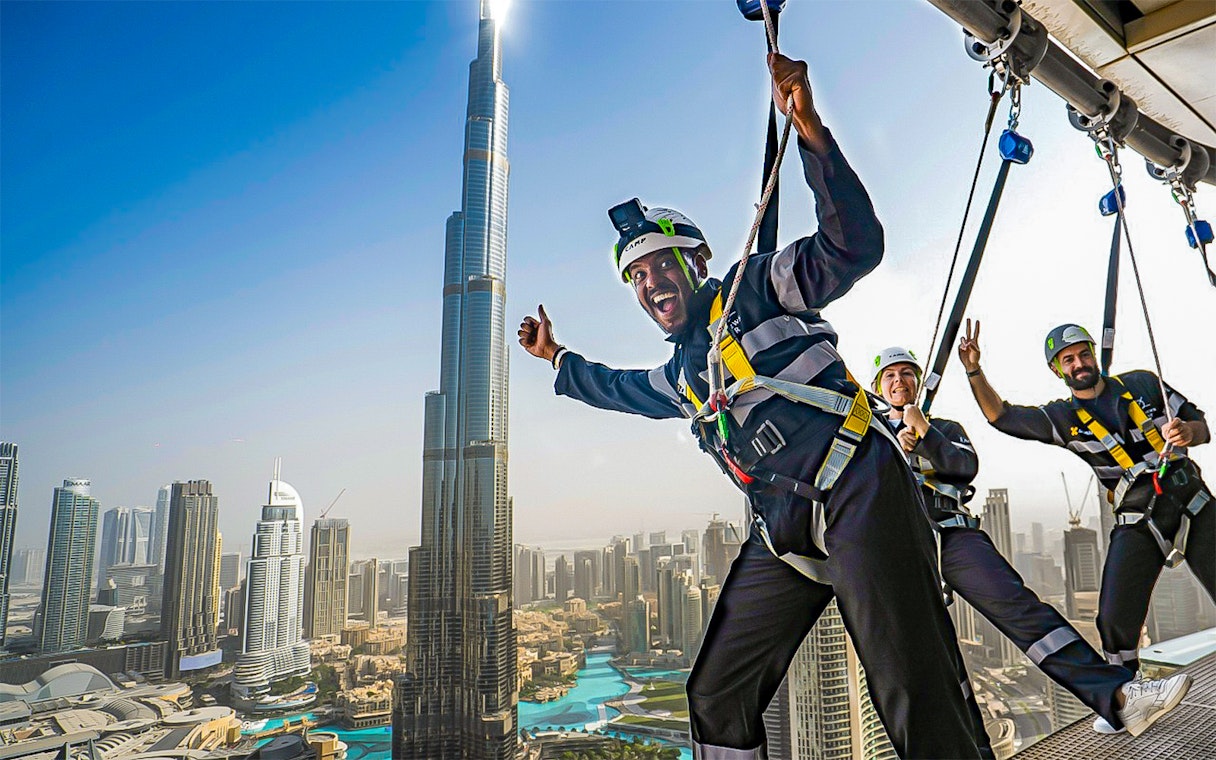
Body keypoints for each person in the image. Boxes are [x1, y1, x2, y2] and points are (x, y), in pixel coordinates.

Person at [519, 53, 982, 759]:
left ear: (695, 263)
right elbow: (615, 388)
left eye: (657, 267)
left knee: (915, 692)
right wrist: (558, 359)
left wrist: (812, 134)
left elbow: (851, 247)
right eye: (635, 278)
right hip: (785, 533)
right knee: (716, 695)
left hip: (861, 489)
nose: (648, 286)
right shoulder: (682, 376)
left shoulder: (758, 286)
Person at [874, 346, 1191, 738]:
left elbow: (963, 467)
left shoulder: (945, 430)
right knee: (915, 655)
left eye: (907, 373)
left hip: (949, 533)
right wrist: (891, 443)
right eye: (890, 375)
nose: (899, 381)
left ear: (918, 383)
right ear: (878, 387)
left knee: (1024, 613)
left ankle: (1120, 697)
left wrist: (923, 432)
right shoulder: (869, 436)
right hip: (892, 544)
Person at [959, 319, 1206, 732]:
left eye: (1083, 354)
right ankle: (1129, 699)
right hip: (1139, 514)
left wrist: (1186, 432)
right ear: (1058, 370)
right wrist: (973, 370)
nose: (1079, 364)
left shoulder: (1144, 385)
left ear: (1095, 354)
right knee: (1112, 616)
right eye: (1068, 360)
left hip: (1189, 497)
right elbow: (1000, 415)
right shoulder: (1063, 418)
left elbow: (1202, 426)